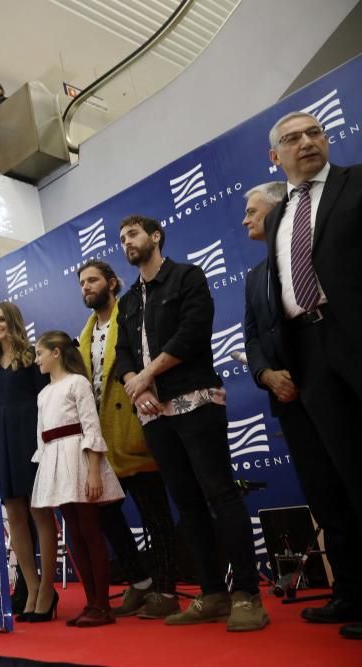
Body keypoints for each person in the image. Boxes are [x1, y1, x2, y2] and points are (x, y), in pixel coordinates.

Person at [115, 214, 265, 631]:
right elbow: (123, 355)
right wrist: (137, 385)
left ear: (155, 236)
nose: (127, 242)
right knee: (188, 506)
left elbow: (194, 333)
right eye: (122, 238)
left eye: (133, 234)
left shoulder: (187, 277)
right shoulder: (128, 301)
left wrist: (149, 375)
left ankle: (248, 595)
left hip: (197, 402)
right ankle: (212, 593)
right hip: (154, 414)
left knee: (220, 495)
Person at [247, 149, 362, 637]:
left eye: (253, 211)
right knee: (326, 493)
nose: (247, 219)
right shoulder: (255, 275)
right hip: (295, 389)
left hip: (340, 361)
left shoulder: (326, 231)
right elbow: (254, 335)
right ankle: (350, 593)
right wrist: (266, 374)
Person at [77, 259, 181, 618]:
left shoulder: (133, 313)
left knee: (155, 514)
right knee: (105, 514)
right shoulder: (85, 333)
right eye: (81, 283)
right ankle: (140, 583)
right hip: (103, 438)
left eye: (92, 280)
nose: (86, 287)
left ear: (112, 283)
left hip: (137, 426)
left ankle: (166, 591)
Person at [32, 331, 125, 627]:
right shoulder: (43, 393)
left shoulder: (78, 383)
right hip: (55, 463)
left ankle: (103, 606)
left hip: (79, 458)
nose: (37, 360)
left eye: (39, 353)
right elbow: (41, 436)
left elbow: (91, 426)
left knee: (90, 530)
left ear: (56, 353)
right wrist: (46, 471)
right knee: (73, 532)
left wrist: (94, 470)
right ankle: (91, 602)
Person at [0, 302, 57, 622]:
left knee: (40, 513)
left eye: (0, 319)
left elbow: (47, 402)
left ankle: (47, 591)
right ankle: (32, 585)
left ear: (12, 321)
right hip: (3, 446)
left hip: (31, 441)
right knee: (14, 517)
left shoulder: (30, 358)